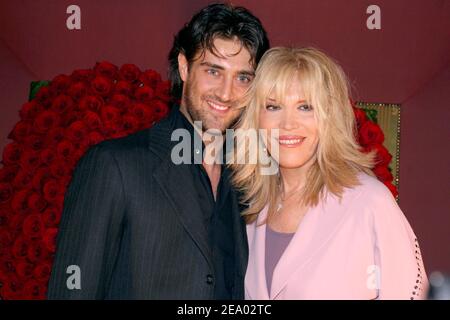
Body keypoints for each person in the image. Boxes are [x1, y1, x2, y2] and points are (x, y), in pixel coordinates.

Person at [47, 3, 269, 299]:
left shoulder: (247, 178)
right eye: (213, 71)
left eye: (243, 77)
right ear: (184, 67)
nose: (227, 93)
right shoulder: (114, 165)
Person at [230, 47, 428, 300]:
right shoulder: (249, 208)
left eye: (305, 107)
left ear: (330, 116)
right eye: (273, 106)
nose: (288, 124)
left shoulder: (369, 203)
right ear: (255, 118)